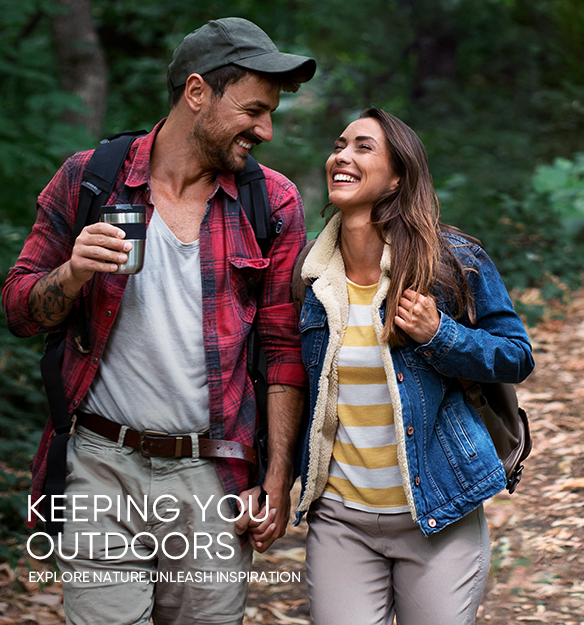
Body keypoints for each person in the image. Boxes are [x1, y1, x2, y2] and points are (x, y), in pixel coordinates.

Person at [2, 17, 314, 625]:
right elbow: (16, 307)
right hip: (101, 463)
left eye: (270, 113)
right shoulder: (90, 179)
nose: (266, 130)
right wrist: (71, 274)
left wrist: (276, 476)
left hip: (213, 475)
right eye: (253, 110)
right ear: (197, 93)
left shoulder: (270, 202)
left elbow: (282, 347)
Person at [291, 107, 533, 624]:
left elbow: (516, 356)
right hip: (341, 520)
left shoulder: (450, 261)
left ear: (398, 176)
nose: (341, 156)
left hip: (440, 512)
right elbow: (291, 385)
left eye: (363, 147)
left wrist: (439, 334)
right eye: (340, 145)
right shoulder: (310, 277)